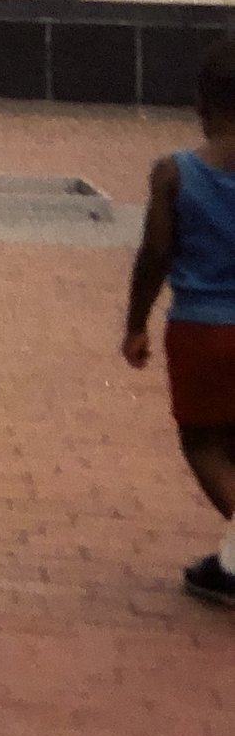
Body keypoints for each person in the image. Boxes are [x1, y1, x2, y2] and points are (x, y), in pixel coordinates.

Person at [120, 39, 235, 609]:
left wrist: (135, 324)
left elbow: (154, 255)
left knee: (203, 441)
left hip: (200, 330)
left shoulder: (176, 173)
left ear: (203, 103)